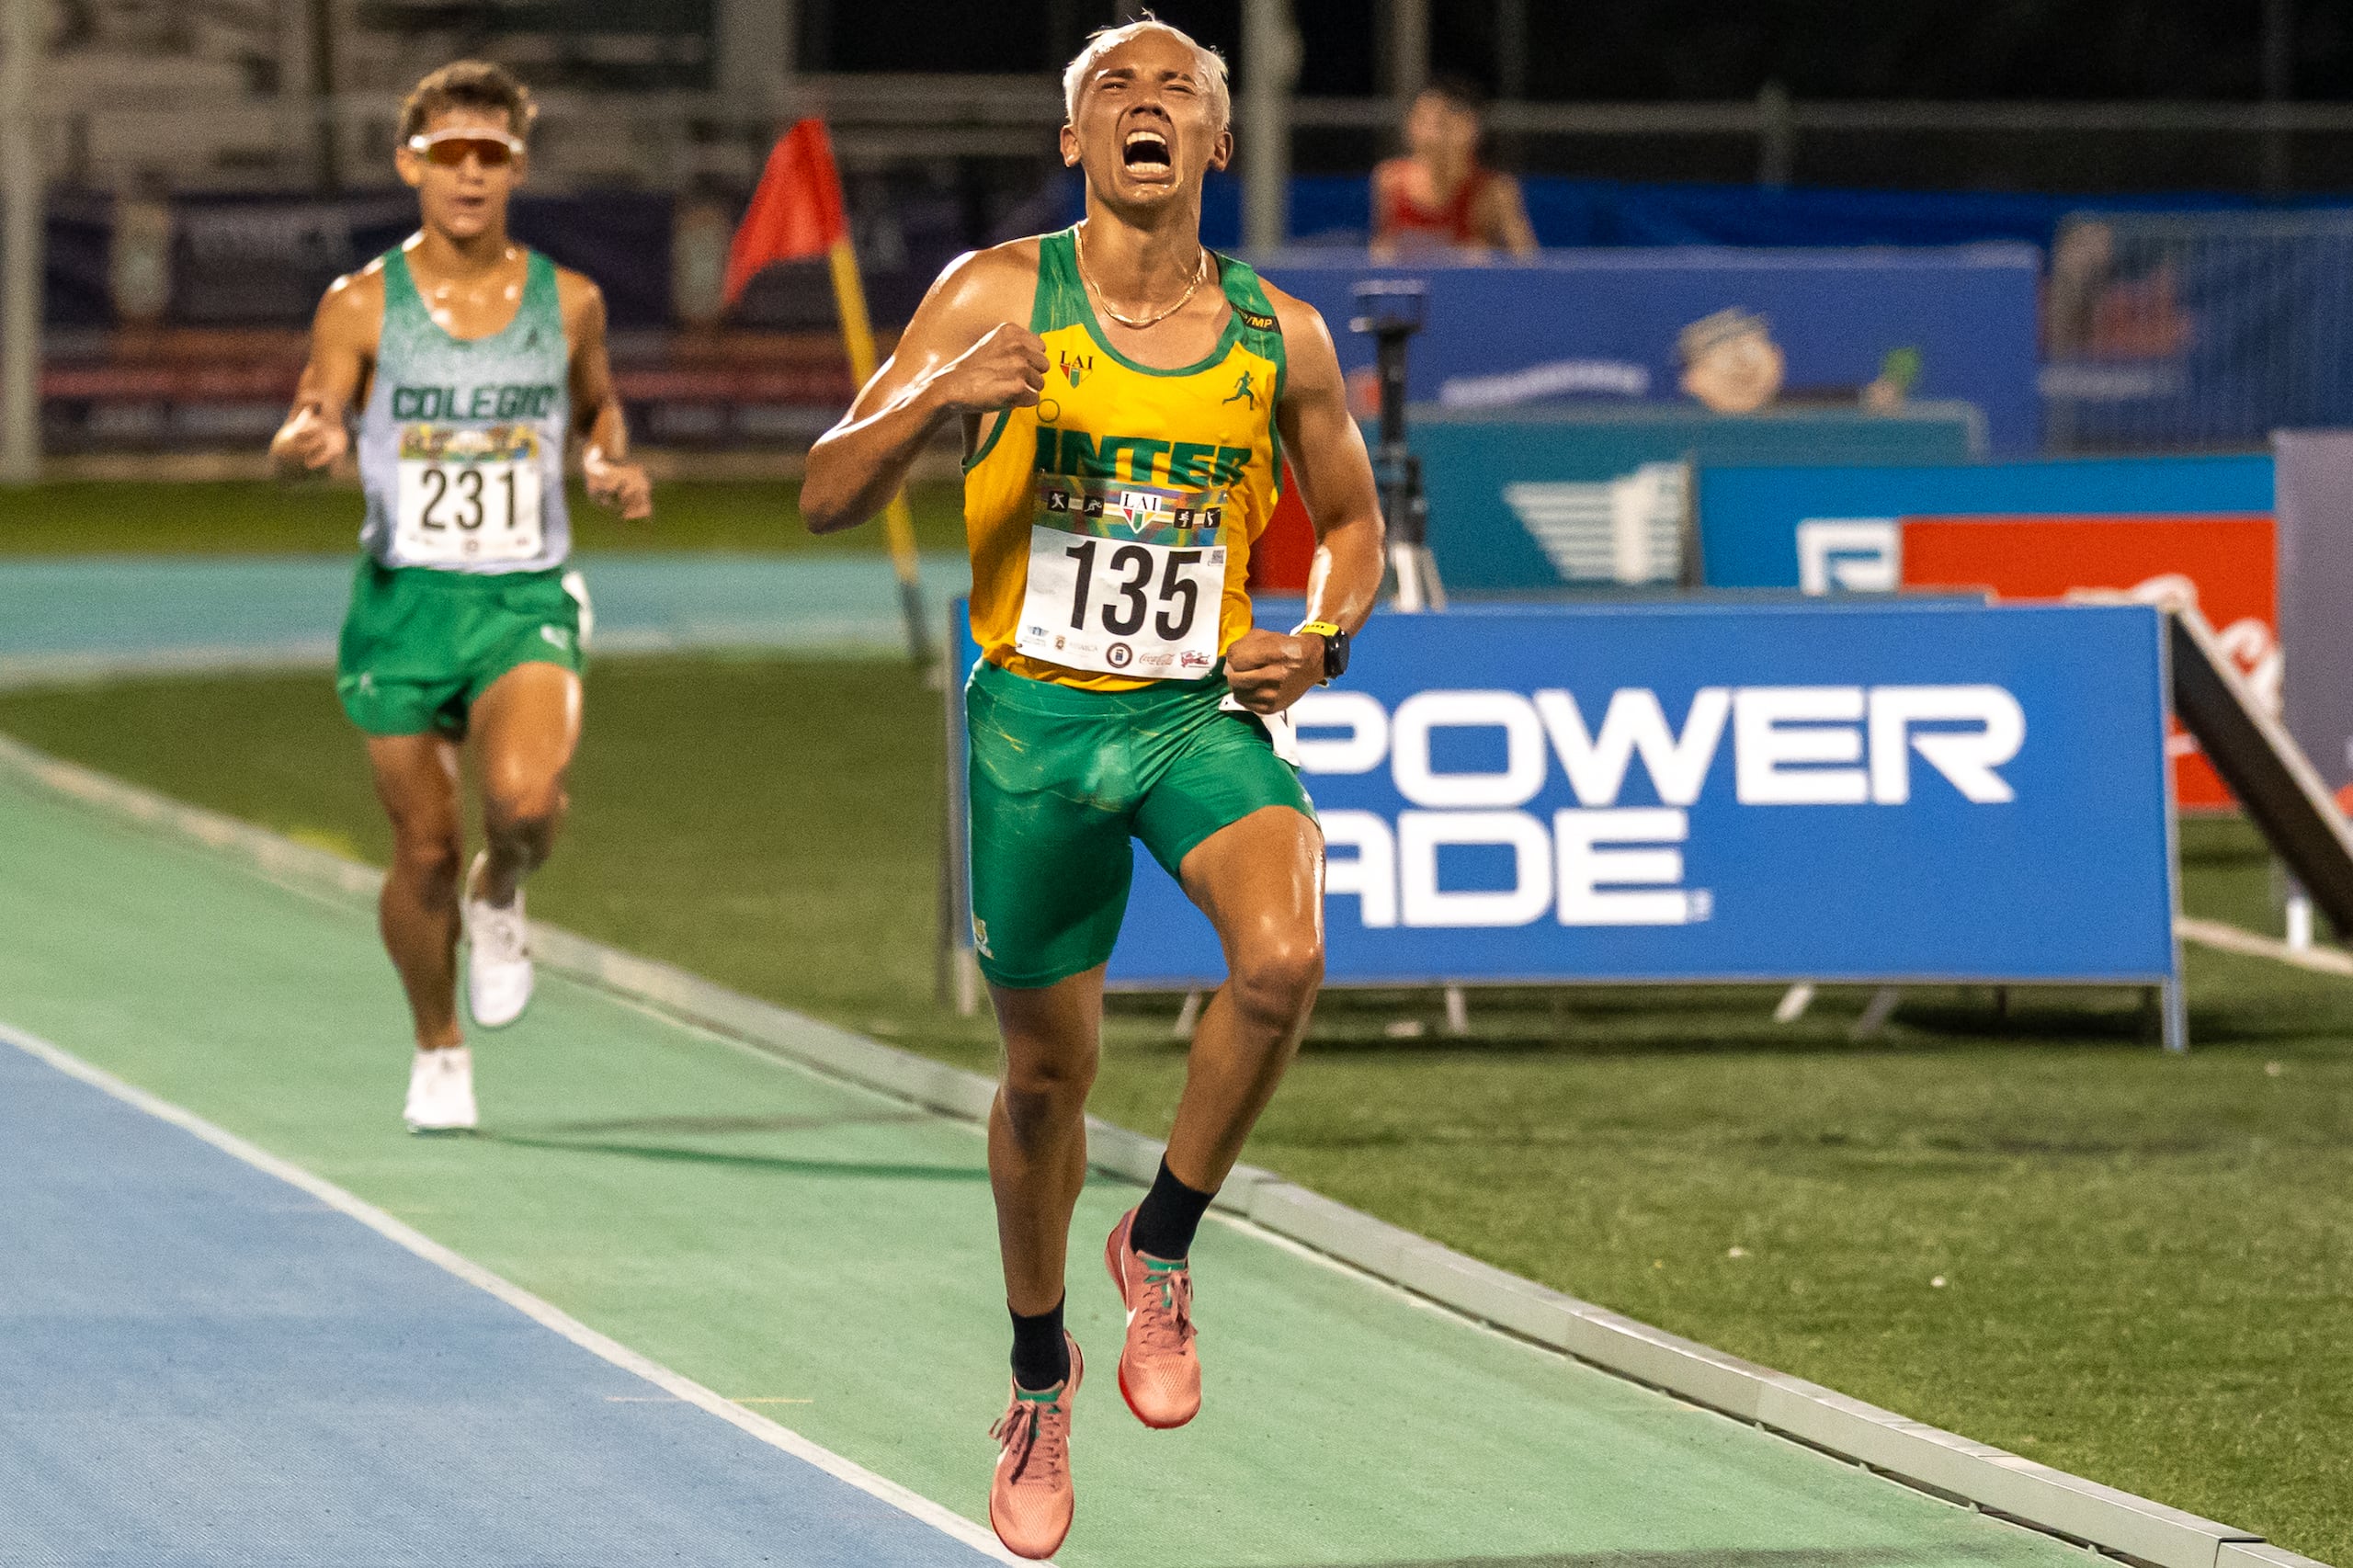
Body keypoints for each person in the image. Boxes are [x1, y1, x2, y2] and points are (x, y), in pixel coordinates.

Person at [802, 19, 1384, 1560]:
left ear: (1220, 144)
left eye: (1178, 91)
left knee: (1286, 956)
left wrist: (1319, 641)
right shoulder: (996, 293)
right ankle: (1040, 1369)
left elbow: (1353, 524)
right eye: (1112, 93)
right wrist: (941, 402)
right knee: (1050, 1080)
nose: (1146, 108)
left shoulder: (1284, 336)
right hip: (1035, 733)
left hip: (1193, 716)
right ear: (1075, 143)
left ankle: (1165, 1240)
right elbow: (821, 490)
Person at [268, 60, 652, 1134]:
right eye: (449, 156)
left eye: (491, 155)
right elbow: (312, 417)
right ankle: (438, 1042)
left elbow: (598, 412)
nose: (470, 175)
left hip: (522, 591)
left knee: (523, 804)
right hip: (402, 601)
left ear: (517, 168)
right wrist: (304, 443)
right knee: (421, 846)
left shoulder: (568, 300)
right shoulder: (358, 305)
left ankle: (503, 887)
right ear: (411, 165)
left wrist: (611, 463)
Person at [1370, 75, 1538, 260]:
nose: (1429, 134)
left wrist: (1487, 258)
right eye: (1420, 121)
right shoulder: (1390, 179)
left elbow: (1528, 262)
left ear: (1469, 129)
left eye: (1440, 123)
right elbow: (1381, 251)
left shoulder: (1494, 191)